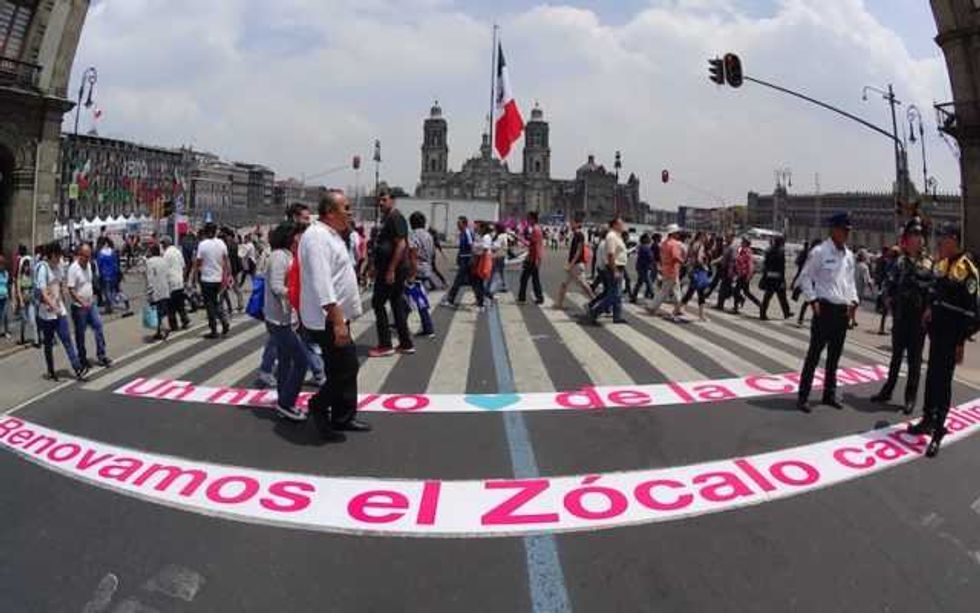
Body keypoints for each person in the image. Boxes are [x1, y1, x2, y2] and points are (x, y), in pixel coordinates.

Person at [299, 191, 369, 440]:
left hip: (338, 315)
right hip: (328, 318)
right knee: (347, 367)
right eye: (346, 208)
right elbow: (321, 280)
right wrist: (337, 319)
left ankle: (343, 417)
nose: (350, 213)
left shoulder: (331, 235)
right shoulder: (317, 237)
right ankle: (319, 405)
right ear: (330, 212)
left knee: (338, 366)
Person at [907, 224, 979, 457]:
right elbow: (935, 293)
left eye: (944, 239)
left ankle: (938, 431)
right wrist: (929, 308)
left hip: (951, 337)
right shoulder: (942, 264)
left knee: (943, 383)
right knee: (931, 378)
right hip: (936, 333)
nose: (940, 243)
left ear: (954, 240)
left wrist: (961, 342)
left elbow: (973, 313)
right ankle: (927, 419)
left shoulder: (967, 270)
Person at [795, 213, 859, 413]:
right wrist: (812, 300)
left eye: (848, 230)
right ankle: (803, 396)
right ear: (833, 230)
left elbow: (849, 282)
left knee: (834, 357)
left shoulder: (849, 255)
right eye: (843, 229)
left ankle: (828, 394)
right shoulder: (820, 251)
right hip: (825, 309)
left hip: (841, 311)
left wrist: (854, 300)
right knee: (814, 355)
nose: (846, 233)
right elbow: (805, 277)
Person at [870, 218, 932, 415]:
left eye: (920, 235)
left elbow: (935, 290)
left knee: (914, 361)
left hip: (919, 320)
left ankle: (910, 398)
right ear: (908, 239)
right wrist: (887, 300)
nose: (917, 239)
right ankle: (887, 391)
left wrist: (930, 309)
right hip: (901, 316)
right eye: (914, 235)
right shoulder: (900, 262)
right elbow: (888, 284)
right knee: (896, 358)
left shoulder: (930, 263)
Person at [263, 221, 310, 422]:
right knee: (301, 361)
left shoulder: (289, 256)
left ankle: (284, 399)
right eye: (299, 236)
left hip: (285, 318)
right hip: (278, 320)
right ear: (290, 237)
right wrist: (296, 293)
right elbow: (275, 286)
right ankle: (287, 402)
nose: (301, 239)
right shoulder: (279, 257)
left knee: (285, 361)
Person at [369, 190, 414, 357]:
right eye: (379, 200)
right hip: (388, 268)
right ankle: (405, 342)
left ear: (392, 201)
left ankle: (385, 344)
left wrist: (390, 269)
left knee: (378, 303)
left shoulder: (396, 218)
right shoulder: (387, 219)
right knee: (395, 303)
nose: (380, 203)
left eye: (384, 200)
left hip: (393, 270)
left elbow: (401, 245)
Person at [36, 242, 86, 381]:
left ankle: (77, 368)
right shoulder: (43, 268)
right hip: (46, 314)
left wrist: (63, 298)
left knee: (67, 339)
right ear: (52, 255)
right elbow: (43, 292)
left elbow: (61, 283)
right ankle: (51, 370)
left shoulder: (59, 266)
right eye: (58, 256)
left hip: (59, 311)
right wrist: (53, 305)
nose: (59, 258)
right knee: (48, 344)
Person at [67, 244, 111, 368]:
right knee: (80, 334)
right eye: (86, 256)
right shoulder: (73, 269)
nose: (88, 259)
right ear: (80, 255)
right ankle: (82, 358)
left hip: (91, 304)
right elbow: (71, 289)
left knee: (98, 327)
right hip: (79, 307)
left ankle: (102, 355)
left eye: (89, 256)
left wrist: (94, 296)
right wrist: (81, 302)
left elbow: (89, 283)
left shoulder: (89, 266)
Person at [192, 223, 231, 339]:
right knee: (217, 302)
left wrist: (194, 277)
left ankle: (214, 329)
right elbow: (226, 261)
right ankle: (224, 321)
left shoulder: (202, 245)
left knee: (209, 305)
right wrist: (228, 275)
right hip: (219, 278)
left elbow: (198, 262)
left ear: (206, 232)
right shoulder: (221, 243)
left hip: (207, 279)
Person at [588, 217, 628, 325]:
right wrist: (614, 269)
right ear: (615, 225)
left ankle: (617, 316)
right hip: (614, 267)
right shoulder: (611, 237)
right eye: (621, 223)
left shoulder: (616, 236)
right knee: (614, 294)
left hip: (618, 266)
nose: (623, 225)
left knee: (617, 294)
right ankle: (595, 311)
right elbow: (610, 254)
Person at [443, 216, 485, 308]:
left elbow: (471, 246)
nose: (458, 225)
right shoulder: (462, 233)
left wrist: (472, 259)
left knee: (458, 281)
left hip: (467, 260)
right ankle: (482, 299)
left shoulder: (467, 232)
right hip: (463, 259)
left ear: (464, 224)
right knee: (473, 281)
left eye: (459, 224)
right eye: (457, 224)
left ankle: (450, 299)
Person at [555, 211, 595, 309]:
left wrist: (570, 264)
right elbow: (561, 239)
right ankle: (559, 304)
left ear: (576, 223)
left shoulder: (580, 235)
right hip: (573, 264)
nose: (570, 224)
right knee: (565, 284)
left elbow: (578, 251)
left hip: (576, 265)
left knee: (583, 285)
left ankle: (594, 300)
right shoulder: (574, 234)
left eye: (571, 222)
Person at [647, 224, 686, 321]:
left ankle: (678, 308)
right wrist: (683, 262)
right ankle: (654, 307)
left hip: (665, 268)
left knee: (673, 290)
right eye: (677, 233)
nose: (678, 235)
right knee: (667, 291)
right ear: (673, 233)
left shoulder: (664, 243)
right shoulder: (674, 244)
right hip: (673, 270)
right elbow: (675, 256)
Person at [407, 211, 436, 338]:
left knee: (416, 299)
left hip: (416, 270)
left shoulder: (413, 235)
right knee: (414, 299)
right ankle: (400, 323)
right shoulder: (428, 235)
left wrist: (411, 274)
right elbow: (433, 253)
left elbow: (413, 255)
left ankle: (428, 328)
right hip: (426, 269)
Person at [759, 235, 793, 320]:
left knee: (767, 296)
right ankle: (786, 313)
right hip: (778, 277)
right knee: (782, 297)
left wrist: (765, 275)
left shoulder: (768, 250)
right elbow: (782, 267)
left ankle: (762, 313)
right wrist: (783, 280)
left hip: (769, 276)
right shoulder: (781, 252)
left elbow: (765, 264)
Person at [679, 231, 711, 321]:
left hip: (692, 270)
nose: (707, 239)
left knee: (691, 290)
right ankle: (701, 315)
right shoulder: (700, 245)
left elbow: (688, 257)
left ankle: (680, 308)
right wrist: (705, 267)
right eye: (706, 237)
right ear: (702, 237)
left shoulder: (692, 244)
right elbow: (699, 259)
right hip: (698, 271)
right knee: (700, 293)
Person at [162, 236, 191, 330]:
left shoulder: (166, 254)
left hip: (171, 282)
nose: (162, 245)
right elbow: (184, 266)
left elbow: (164, 269)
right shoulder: (178, 251)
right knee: (180, 304)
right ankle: (185, 319)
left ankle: (174, 325)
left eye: (162, 243)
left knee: (171, 306)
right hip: (179, 281)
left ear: (165, 244)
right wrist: (184, 278)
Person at [95, 239, 130, 315]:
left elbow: (99, 266)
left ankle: (112, 306)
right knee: (115, 290)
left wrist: (99, 276)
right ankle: (123, 299)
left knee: (107, 292)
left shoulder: (100, 254)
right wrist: (118, 273)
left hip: (105, 275)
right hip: (114, 275)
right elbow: (116, 264)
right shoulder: (113, 252)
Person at [145, 244, 172, 341]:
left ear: (152, 252)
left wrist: (149, 290)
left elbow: (150, 278)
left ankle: (162, 329)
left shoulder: (149, 262)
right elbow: (168, 276)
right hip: (165, 289)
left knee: (155, 311)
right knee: (163, 310)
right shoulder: (164, 261)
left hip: (155, 290)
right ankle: (162, 328)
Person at [517, 211, 545, 304]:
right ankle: (539, 297)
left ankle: (522, 298)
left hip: (533, 258)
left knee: (525, 278)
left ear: (533, 219)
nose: (527, 220)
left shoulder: (535, 230)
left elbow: (534, 245)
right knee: (534, 279)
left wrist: (520, 239)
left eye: (529, 219)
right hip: (534, 257)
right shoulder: (537, 229)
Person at [13, 248, 37, 346]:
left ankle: (36, 340)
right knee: (24, 320)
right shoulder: (20, 277)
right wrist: (20, 301)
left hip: (30, 300)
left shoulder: (31, 276)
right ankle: (22, 337)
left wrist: (33, 296)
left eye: (28, 266)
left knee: (33, 320)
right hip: (22, 301)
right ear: (23, 267)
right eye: (25, 266)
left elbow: (33, 287)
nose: (27, 268)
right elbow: (18, 289)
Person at [732, 237, 761, 315]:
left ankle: (736, 308)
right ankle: (760, 304)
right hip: (741, 274)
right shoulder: (742, 251)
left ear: (746, 243)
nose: (741, 242)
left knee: (736, 291)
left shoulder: (747, 252)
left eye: (743, 241)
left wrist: (749, 276)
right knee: (746, 292)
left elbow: (750, 265)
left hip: (744, 275)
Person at [631, 233, 655, 303]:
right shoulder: (645, 247)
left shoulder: (642, 246)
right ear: (645, 239)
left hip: (641, 267)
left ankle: (634, 296)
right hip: (644, 267)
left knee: (640, 282)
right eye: (648, 238)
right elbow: (650, 257)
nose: (650, 239)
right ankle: (652, 295)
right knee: (648, 282)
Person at [0, 254, 9, 339]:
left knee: (5, 315)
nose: (2, 265)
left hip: (5, 297)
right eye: (1, 264)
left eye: (3, 264)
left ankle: (6, 331)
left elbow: (7, 285)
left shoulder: (6, 273)